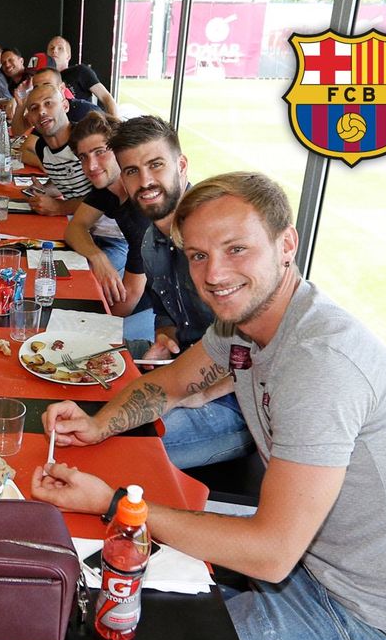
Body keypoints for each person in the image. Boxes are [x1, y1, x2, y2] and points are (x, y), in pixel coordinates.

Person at [32, 170, 386, 640]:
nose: (214, 274)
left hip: (354, 620)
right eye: (197, 255)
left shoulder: (322, 363)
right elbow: (172, 383)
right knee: (104, 587)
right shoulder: (243, 322)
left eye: (236, 249)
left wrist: (116, 506)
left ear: (287, 245)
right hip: (304, 562)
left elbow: (270, 554)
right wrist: (98, 425)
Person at [100, 114, 251, 468]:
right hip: (183, 365)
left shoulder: (219, 240)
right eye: (132, 171)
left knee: (116, 446)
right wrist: (164, 341)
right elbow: (166, 314)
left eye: (156, 165)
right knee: (75, 364)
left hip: (237, 401)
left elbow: (258, 346)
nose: (146, 181)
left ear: (181, 165)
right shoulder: (153, 240)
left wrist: (191, 393)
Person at [64, 111, 154, 343]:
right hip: (149, 292)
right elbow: (75, 228)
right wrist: (98, 258)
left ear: (120, 151)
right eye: (83, 157)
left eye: (100, 152)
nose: (91, 165)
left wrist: (83, 329)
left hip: (172, 315)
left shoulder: (141, 214)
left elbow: (128, 300)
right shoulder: (109, 189)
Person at [20, 84, 129, 276]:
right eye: (34, 108)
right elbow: (69, 181)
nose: (42, 112)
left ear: (65, 106)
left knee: (80, 277)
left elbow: (101, 198)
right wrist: (47, 190)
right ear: (29, 118)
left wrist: (58, 207)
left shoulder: (85, 143)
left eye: (48, 103)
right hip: (81, 230)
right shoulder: (43, 150)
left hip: (114, 236)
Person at [46, 35, 120, 116]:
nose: (54, 51)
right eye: (51, 48)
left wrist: (116, 124)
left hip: (85, 124)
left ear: (68, 56)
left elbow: (105, 97)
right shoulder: (44, 77)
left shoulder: (80, 71)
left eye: (60, 48)